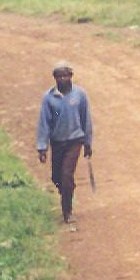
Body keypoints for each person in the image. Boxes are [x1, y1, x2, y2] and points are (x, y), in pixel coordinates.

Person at [33, 61, 93, 225]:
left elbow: (86, 119)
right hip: (57, 142)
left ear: (71, 76)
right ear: (55, 78)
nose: (63, 79)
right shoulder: (49, 98)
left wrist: (87, 142)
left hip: (75, 140)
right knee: (56, 177)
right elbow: (44, 123)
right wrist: (42, 147)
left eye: (66, 76)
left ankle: (67, 211)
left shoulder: (79, 95)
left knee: (66, 175)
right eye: (59, 76)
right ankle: (67, 190)